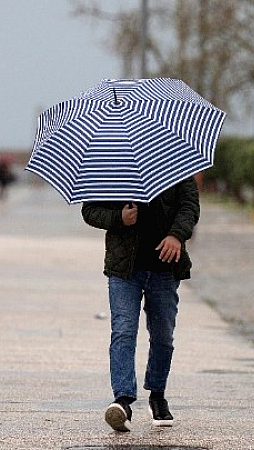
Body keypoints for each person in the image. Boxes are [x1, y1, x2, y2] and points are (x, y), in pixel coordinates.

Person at [81, 176, 200, 432]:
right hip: (125, 269)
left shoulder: (176, 161)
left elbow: (190, 205)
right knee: (123, 331)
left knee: (163, 336)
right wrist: (119, 219)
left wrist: (176, 235)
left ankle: (157, 395)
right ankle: (123, 400)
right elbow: (89, 210)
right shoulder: (112, 165)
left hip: (165, 268)